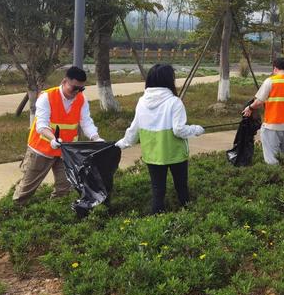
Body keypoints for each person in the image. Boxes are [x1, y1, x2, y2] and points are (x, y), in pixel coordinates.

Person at [115, 64, 205, 214]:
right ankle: (189, 216)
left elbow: (134, 128)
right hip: (175, 154)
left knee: (158, 190)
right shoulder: (174, 102)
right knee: (181, 187)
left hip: (152, 154)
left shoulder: (142, 101)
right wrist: (196, 129)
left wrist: (122, 144)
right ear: (169, 81)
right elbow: (179, 130)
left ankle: (156, 219)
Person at [13, 66, 103, 205]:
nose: (77, 92)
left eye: (81, 89)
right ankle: (15, 211)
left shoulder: (81, 99)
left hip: (65, 151)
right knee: (27, 188)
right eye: (74, 88)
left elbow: (86, 122)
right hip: (41, 150)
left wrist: (96, 138)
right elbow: (41, 125)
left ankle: (55, 213)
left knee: (64, 189)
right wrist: (53, 139)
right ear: (64, 81)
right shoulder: (46, 97)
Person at [243, 57, 284, 165]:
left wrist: (250, 108)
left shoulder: (270, 81)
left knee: (271, 158)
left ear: (275, 68)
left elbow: (259, 102)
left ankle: (275, 177)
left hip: (272, 125)